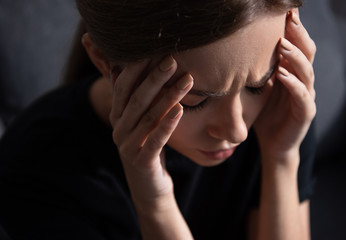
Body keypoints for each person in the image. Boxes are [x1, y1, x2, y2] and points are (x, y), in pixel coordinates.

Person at [0, 0, 317, 239]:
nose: (237, 131)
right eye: (195, 101)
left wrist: (282, 158)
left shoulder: (280, 111)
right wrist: (155, 206)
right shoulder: (35, 172)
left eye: (255, 85)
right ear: (103, 60)